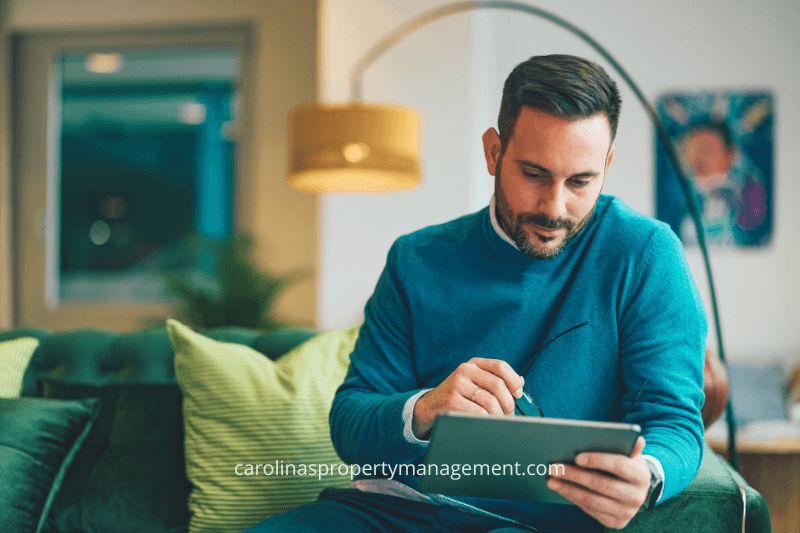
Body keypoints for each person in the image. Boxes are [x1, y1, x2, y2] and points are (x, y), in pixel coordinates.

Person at [247, 54, 707, 533]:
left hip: (540, 523)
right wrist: (425, 407)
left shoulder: (644, 254)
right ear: (493, 152)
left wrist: (647, 475)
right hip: (394, 511)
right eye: (534, 174)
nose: (555, 207)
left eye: (580, 181)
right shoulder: (416, 259)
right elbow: (350, 422)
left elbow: (674, 420)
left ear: (606, 164)